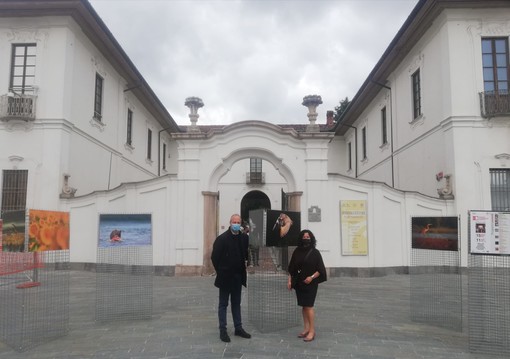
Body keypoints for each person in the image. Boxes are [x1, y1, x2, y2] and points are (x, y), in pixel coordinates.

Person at [211, 214, 252, 343]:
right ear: (230, 222)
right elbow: (214, 257)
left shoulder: (244, 238)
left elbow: (245, 253)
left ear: (240, 223)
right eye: (234, 221)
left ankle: (238, 328)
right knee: (223, 304)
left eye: (238, 222)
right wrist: (221, 270)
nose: (236, 223)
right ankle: (223, 330)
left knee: (236, 303)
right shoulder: (222, 239)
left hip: (237, 277)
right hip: (225, 277)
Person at [287, 229, 327, 342]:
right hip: (299, 283)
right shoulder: (297, 251)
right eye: (304, 236)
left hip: (310, 283)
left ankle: (312, 331)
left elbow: (320, 269)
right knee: (304, 306)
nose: (306, 238)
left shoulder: (315, 252)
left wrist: (311, 277)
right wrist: (289, 281)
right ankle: (306, 329)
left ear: (311, 238)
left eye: (308, 236)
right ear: (300, 238)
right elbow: (292, 268)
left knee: (309, 306)